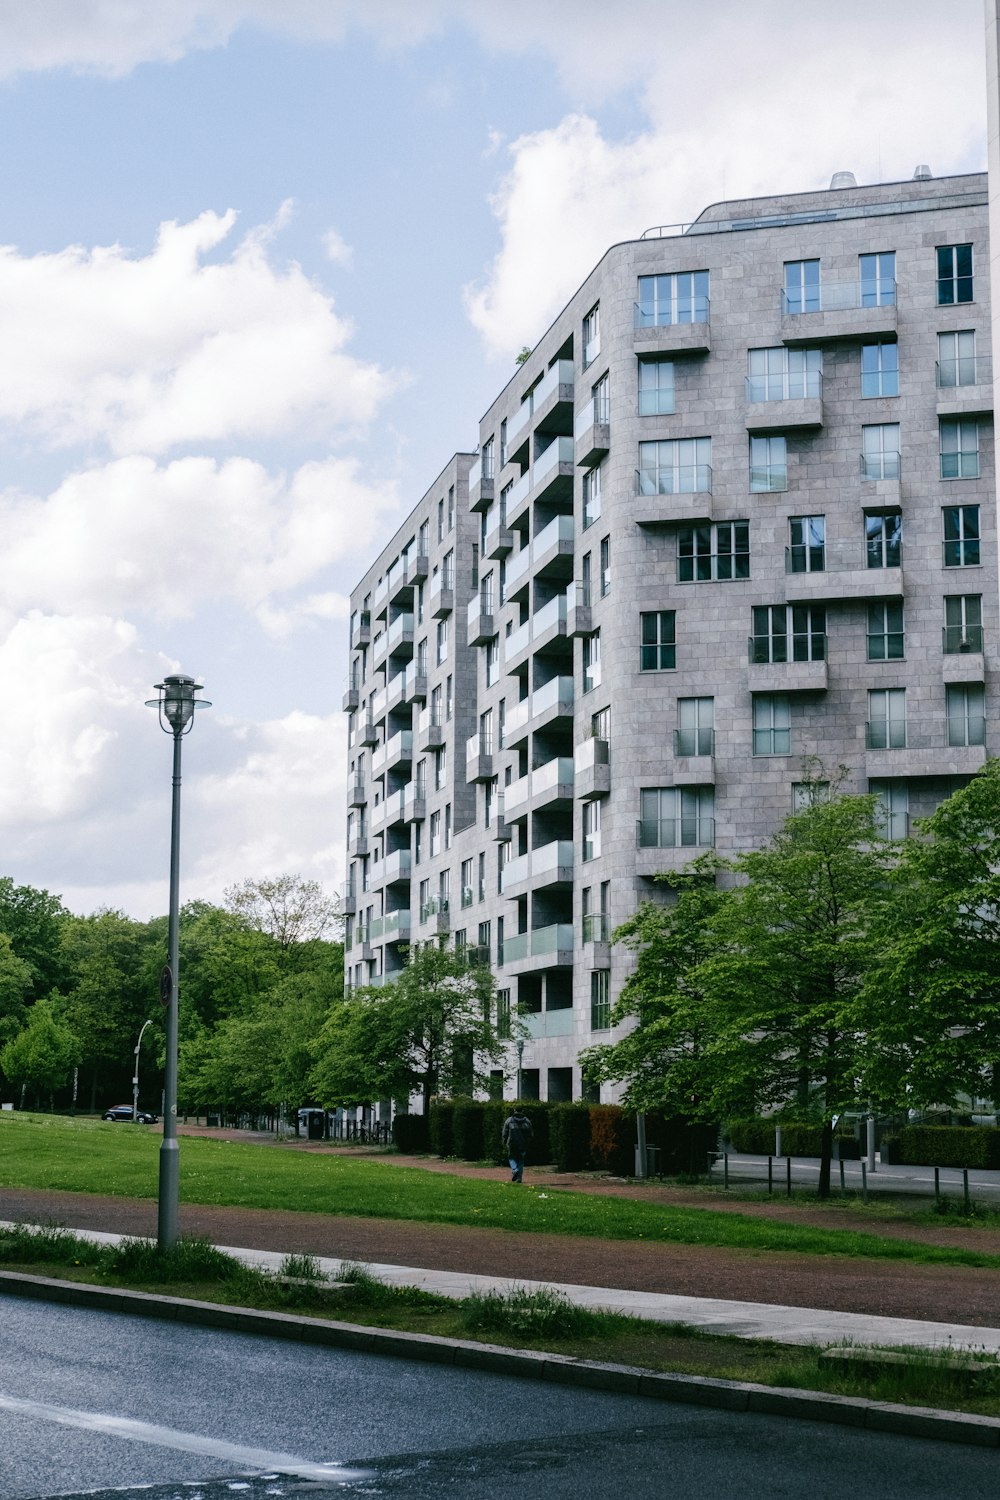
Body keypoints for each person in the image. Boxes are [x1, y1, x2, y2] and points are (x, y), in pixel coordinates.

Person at [501, 1106, 533, 1183]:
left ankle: (515, 1170)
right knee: (520, 1160)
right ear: (522, 1111)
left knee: (511, 1158)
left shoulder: (509, 1120)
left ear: (514, 1110)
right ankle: (519, 1178)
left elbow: (505, 1132)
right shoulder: (527, 1121)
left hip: (512, 1143)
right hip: (523, 1144)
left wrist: (504, 1141)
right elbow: (531, 1134)